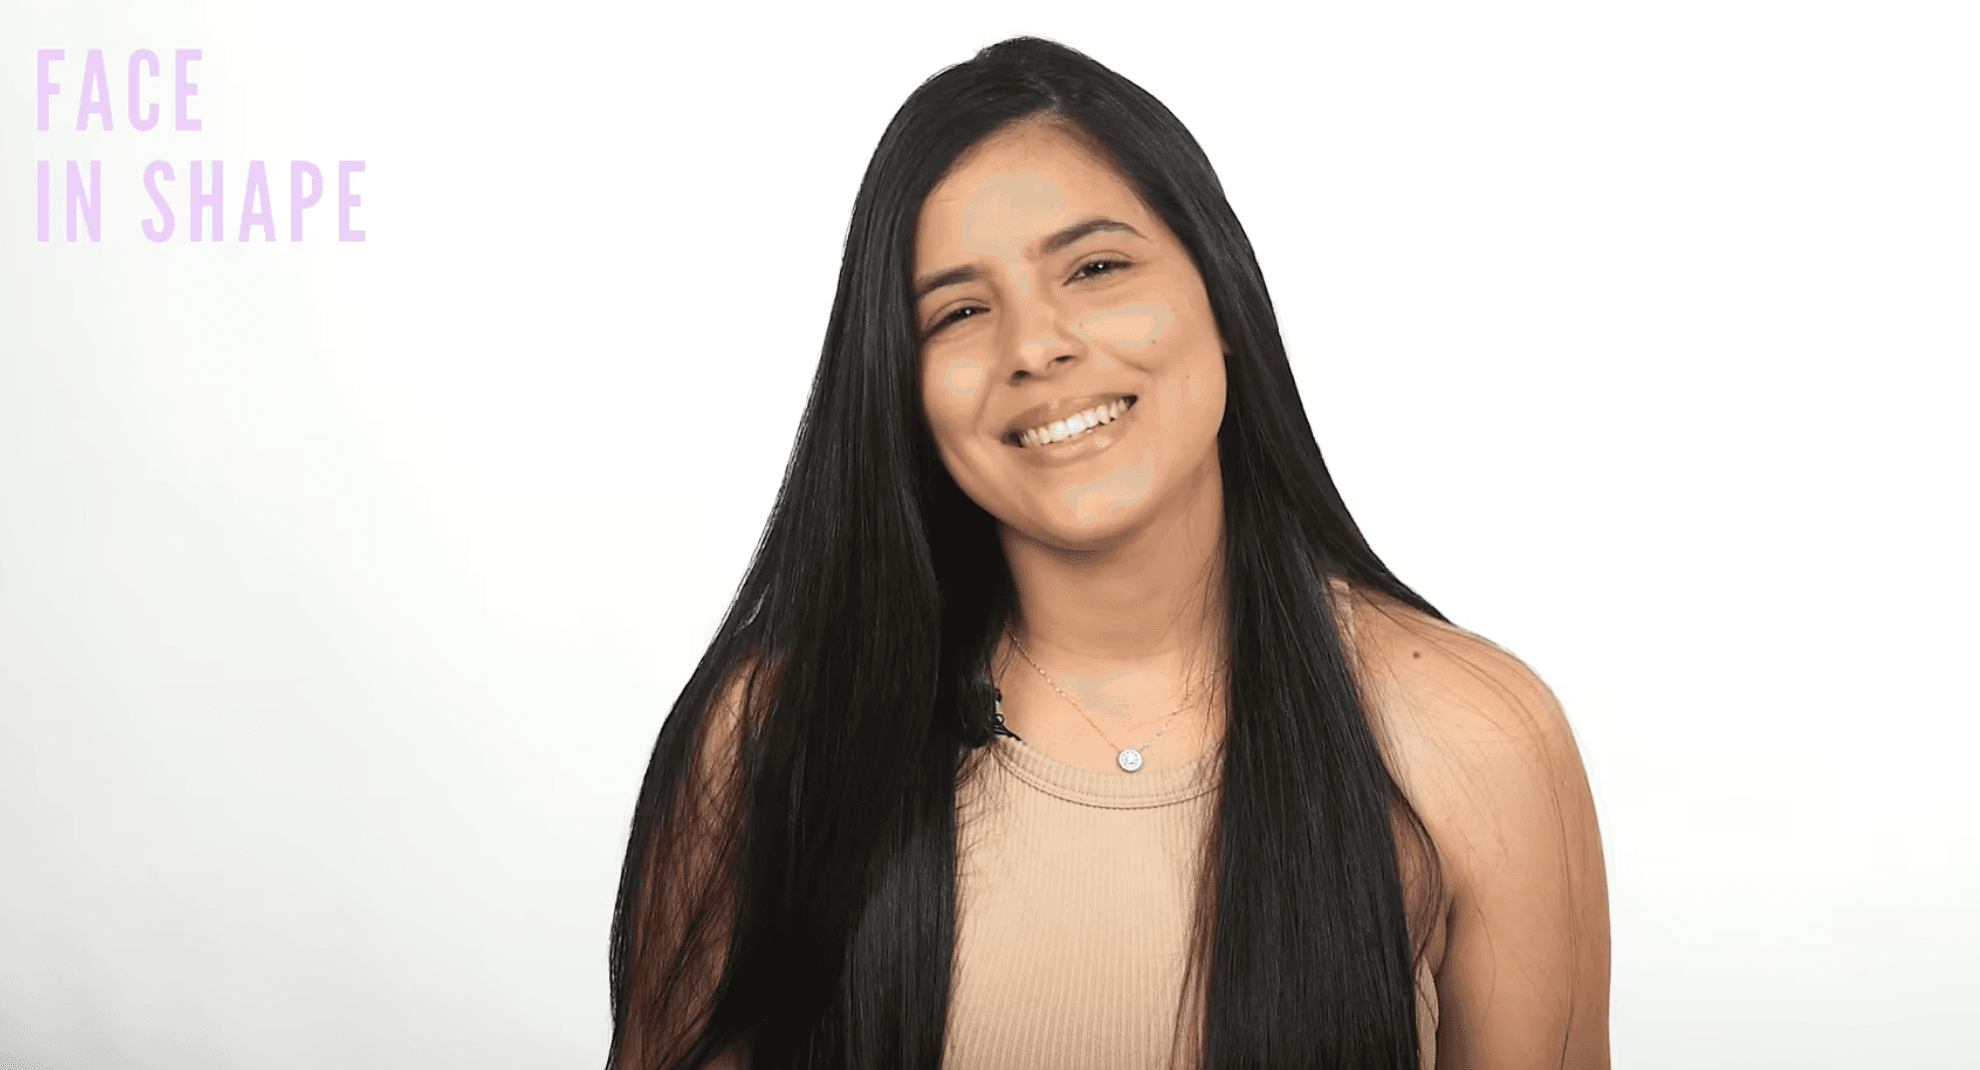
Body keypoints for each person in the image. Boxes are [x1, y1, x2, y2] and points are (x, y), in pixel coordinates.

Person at [608, 36, 1608, 1070]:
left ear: (1223, 296)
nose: (1035, 345)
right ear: (901, 386)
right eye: (960, 310)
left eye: (1095, 268)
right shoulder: (773, 741)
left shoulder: (1478, 738)